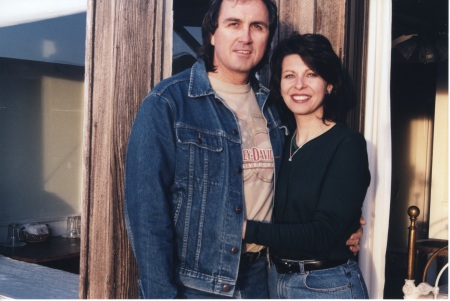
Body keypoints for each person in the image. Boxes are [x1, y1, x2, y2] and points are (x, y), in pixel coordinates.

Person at [124, 1, 362, 298]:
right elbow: (146, 214)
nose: (246, 37)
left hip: (262, 280)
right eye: (234, 24)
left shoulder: (276, 108)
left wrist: (347, 224)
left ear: (267, 37)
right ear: (211, 33)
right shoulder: (169, 103)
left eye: (257, 26)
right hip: (196, 285)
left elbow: (308, 182)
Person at [243, 32, 370, 299]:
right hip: (274, 281)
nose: (299, 85)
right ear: (279, 85)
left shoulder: (347, 144)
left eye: (311, 74)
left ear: (330, 84)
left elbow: (323, 233)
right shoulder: (278, 141)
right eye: (290, 76)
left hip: (326, 285)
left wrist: (242, 229)